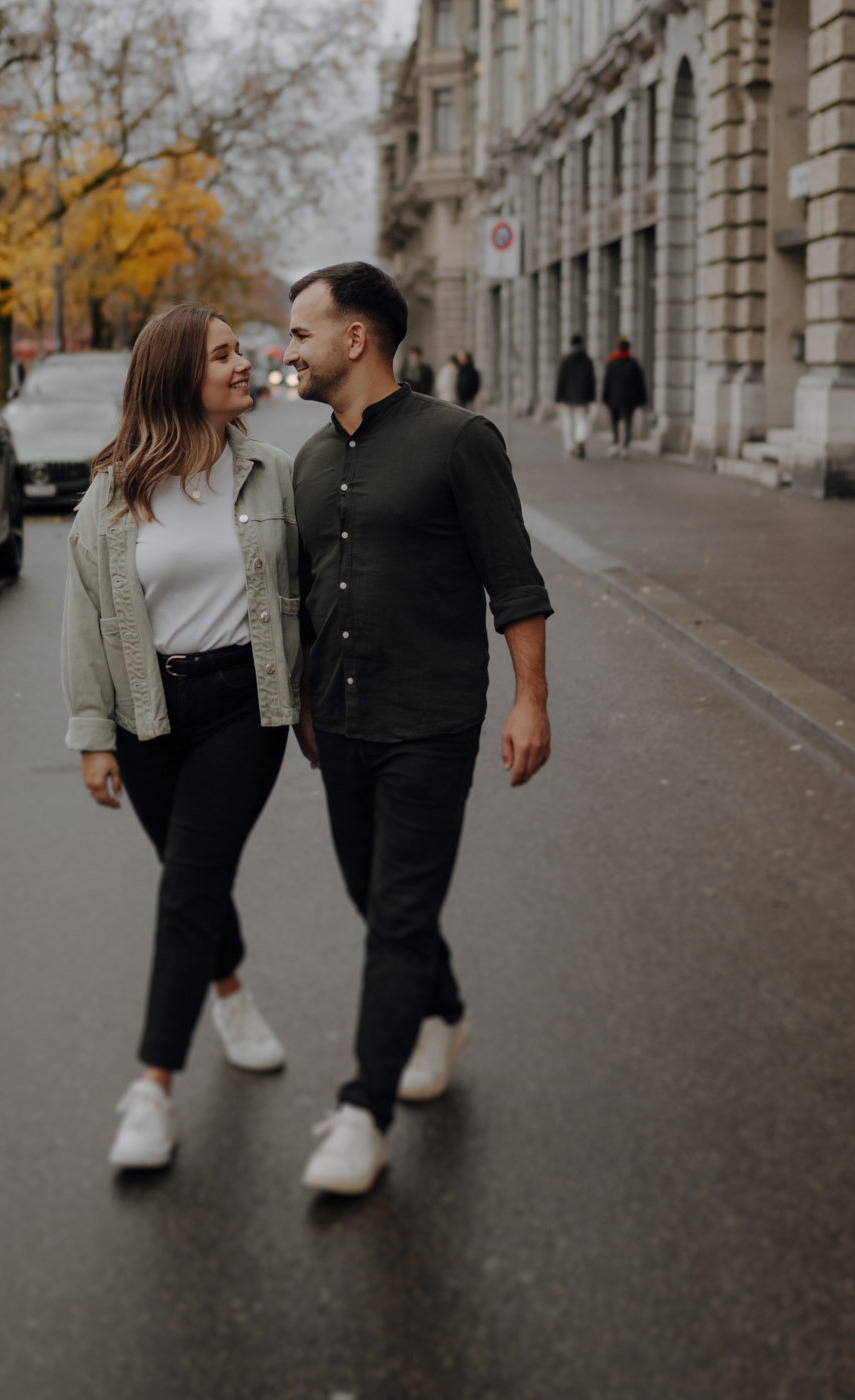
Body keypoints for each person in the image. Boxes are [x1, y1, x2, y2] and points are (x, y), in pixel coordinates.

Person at [287, 262, 552, 1196]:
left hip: (433, 721)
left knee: (397, 914)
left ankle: (363, 1112)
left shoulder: (458, 440)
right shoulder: (310, 461)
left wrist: (531, 699)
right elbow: (303, 592)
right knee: (375, 897)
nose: (289, 350)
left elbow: (513, 580)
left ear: (354, 338)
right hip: (342, 722)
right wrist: (305, 705)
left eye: (301, 333)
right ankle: (441, 1011)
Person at [61, 304, 302, 1171]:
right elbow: (84, 620)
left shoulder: (272, 474)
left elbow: (312, 591)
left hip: (246, 704)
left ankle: (152, 1091)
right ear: (176, 377)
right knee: (190, 878)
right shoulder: (114, 491)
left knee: (189, 884)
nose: (246, 364)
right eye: (225, 355)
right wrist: (94, 734)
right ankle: (230, 994)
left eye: (243, 351)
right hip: (146, 716)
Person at [601, 335, 648, 455]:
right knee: (628, 422)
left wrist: (605, 398)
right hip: (629, 399)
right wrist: (642, 398)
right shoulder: (633, 363)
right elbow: (640, 382)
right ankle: (625, 446)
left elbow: (607, 382)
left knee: (615, 421)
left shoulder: (612, 362)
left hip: (614, 399)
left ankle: (616, 444)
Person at [554, 333, 596, 458]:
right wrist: (591, 397)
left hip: (566, 397)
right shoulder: (587, 360)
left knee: (567, 423)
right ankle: (580, 440)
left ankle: (570, 448)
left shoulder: (566, 360)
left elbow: (561, 379)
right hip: (582, 397)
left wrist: (557, 397)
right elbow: (591, 380)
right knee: (581, 420)